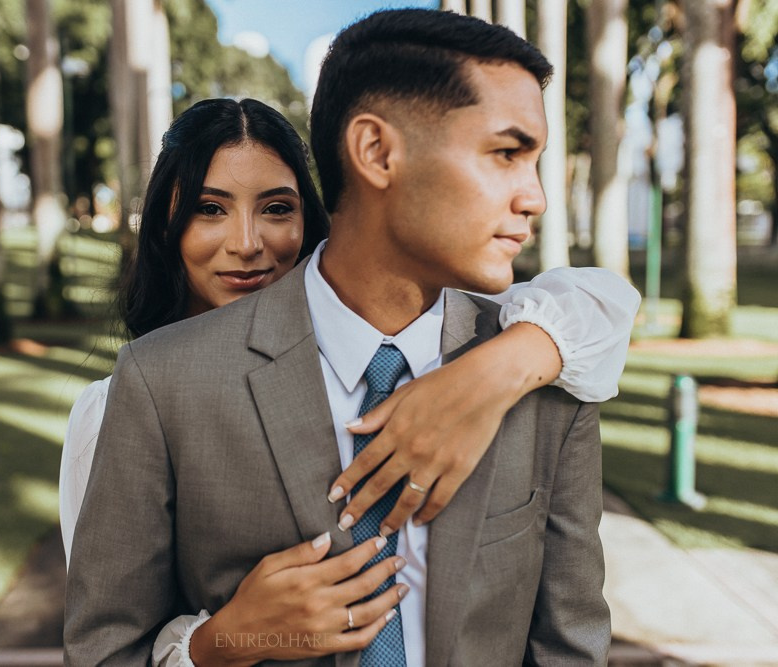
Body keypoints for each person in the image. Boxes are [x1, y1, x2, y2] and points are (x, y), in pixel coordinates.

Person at [66, 12, 630, 660]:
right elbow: (105, 650)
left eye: (276, 207)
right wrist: (231, 639)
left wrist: (500, 369)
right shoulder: (159, 383)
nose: (534, 198)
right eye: (505, 154)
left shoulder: (547, 365)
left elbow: (569, 646)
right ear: (376, 152)